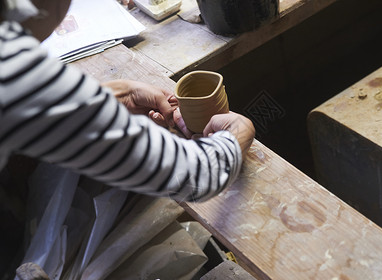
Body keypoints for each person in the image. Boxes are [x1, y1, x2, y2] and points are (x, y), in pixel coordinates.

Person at [0, 0, 255, 203]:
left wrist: (111, 95)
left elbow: (38, 106)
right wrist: (238, 133)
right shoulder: (13, 66)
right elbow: (194, 175)